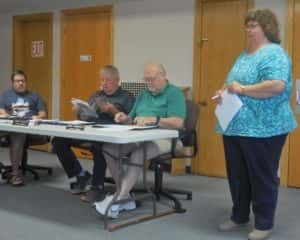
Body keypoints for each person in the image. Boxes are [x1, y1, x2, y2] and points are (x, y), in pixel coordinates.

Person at [213, 9, 297, 240]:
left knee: (262, 176)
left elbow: (277, 85)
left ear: (266, 28)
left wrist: (243, 89)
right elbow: (231, 82)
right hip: (236, 125)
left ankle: (263, 223)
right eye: (247, 25)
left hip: (264, 128)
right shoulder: (243, 56)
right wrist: (222, 92)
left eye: (253, 25)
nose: (248, 30)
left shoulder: (274, 53)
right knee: (237, 175)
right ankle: (239, 216)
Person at [94, 62, 186, 218]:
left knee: (138, 154)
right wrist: (124, 118)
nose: (148, 83)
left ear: (163, 76)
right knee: (109, 149)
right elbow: (132, 118)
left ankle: (118, 199)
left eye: (151, 79)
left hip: (167, 138)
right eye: (146, 79)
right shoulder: (143, 94)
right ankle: (126, 196)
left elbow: (178, 122)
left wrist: (155, 120)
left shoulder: (174, 93)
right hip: (140, 135)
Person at [52, 65, 135, 203]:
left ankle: (97, 187)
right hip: (90, 131)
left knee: (99, 146)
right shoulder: (96, 95)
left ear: (117, 81)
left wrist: (112, 111)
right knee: (58, 141)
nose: (104, 84)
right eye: (102, 80)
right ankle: (80, 176)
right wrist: (80, 112)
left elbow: (130, 122)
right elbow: (86, 118)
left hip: (112, 137)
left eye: (108, 80)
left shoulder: (127, 97)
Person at [0, 70, 48, 186]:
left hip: (26, 127)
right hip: (8, 124)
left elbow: (43, 113)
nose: (20, 83)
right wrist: (4, 113)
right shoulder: (6, 95)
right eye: (17, 81)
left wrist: (37, 116)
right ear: (12, 83)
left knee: (18, 134)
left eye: (23, 81)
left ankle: (15, 175)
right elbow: (1, 109)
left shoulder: (34, 96)